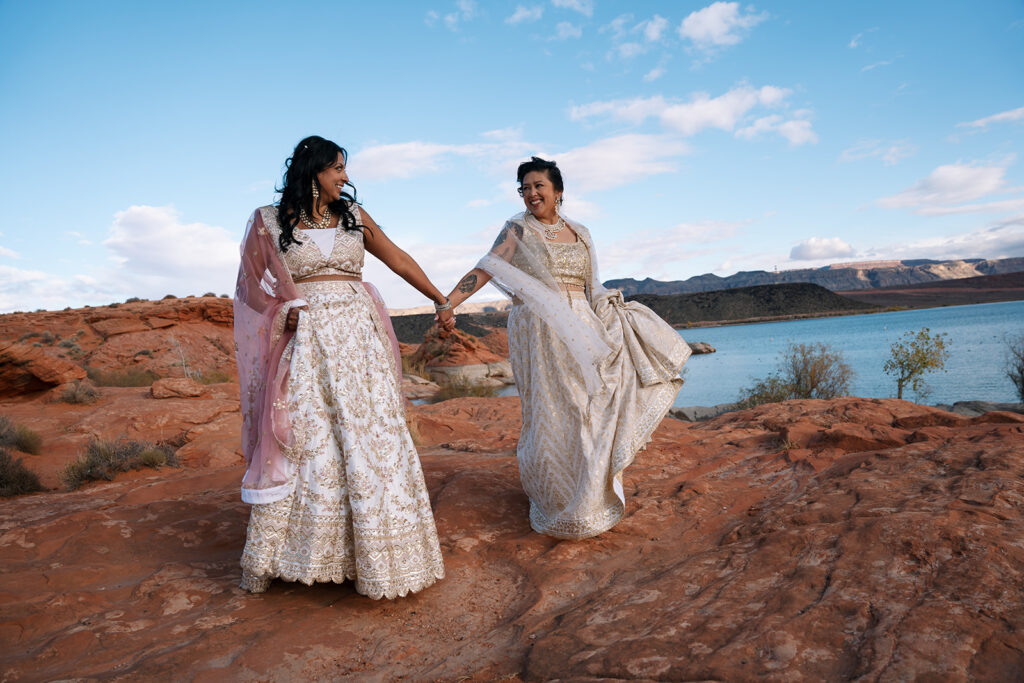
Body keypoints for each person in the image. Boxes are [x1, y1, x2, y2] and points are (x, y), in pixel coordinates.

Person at [234, 135, 453, 597]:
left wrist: (439, 298)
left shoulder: (354, 216)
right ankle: (292, 554)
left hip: (360, 340)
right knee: (308, 434)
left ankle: (378, 553)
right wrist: (282, 310)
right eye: (338, 168)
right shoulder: (268, 221)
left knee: (371, 433)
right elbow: (250, 288)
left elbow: (396, 257)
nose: (346, 177)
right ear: (314, 171)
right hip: (309, 340)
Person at [445, 156, 690, 539]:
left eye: (538, 185)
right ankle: (556, 499)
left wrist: (609, 313)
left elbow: (592, 284)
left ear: (558, 191)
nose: (531, 194)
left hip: (583, 324)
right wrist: (448, 302)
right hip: (539, 328)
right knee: (552, 410)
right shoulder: (517, 230)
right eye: (524, 188)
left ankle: (590, 498)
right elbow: (487, 267)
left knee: (588, 405)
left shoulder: (582, 232)